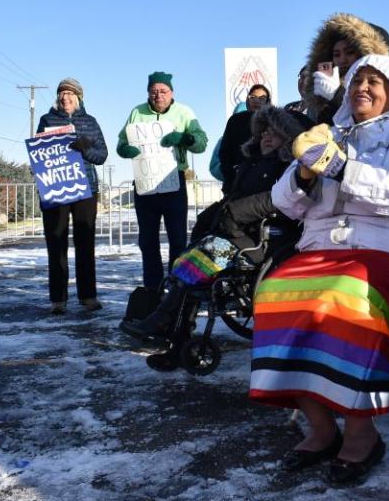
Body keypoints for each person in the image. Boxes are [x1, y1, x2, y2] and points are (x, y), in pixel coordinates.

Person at [249, 55, 389, 485]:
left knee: (341, 296)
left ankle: (362, 433)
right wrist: (305, 173)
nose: (362, 87)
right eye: (356, 80)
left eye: (374, 81)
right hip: (329, 252)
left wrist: (343, 168)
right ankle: (321, 427)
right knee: (273, 293)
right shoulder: (329, 134)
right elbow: (285, 202)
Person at [120, 105, 312, 370]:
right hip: (236, 234)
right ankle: (174, 341)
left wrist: (232, 215)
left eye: (275, 132)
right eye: (264, 131)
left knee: (194, 269)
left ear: (290, 138)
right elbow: (230, 199)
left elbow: (275, 201)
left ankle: (163, 321)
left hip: (263, 239)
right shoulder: (251, 163)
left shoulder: (288, 167)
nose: (267, 136)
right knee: (184, 267)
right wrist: (210, 221)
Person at [117, 71, 207, 291]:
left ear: (171, 92)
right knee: (147, 242)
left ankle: (177, 290)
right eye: (154, 91)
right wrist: (124, 149)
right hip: (145, 184)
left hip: (173, 182)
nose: (158, 95)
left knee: (177, 240)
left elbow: (201, 143)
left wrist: (184, 138)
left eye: (163, 91)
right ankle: (153, 289)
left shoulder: (185, 112)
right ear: (148, 93)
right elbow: (121, 141)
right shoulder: (137, 112)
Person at [36, 78, 108, 314]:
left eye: (70, 94)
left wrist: (85, 148)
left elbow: (102, 155)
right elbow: (39, 153)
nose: (66, 98)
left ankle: (88, 296)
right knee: (56, 243)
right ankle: (58, 299)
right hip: (56, 188)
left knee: (84, 243)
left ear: (78, 98)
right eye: (62, 94)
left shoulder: (90, 122)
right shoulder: (47, 121)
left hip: (85, 189)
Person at [305, 13, 389, 125]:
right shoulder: (321, 94)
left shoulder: (387, 89)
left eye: (350, 53)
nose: (343, 60)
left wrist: (336, 95)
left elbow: (369, 126)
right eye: (337, 54)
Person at [218, 84, 271, 191]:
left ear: (267, 102)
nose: (257, 101)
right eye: (253, 97)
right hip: (236, 182)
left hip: (264, 184)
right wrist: (230, 177)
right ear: (247, 100)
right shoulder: (235, 121)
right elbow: (224, 153)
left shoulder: (272, 122)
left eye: (262, 98)